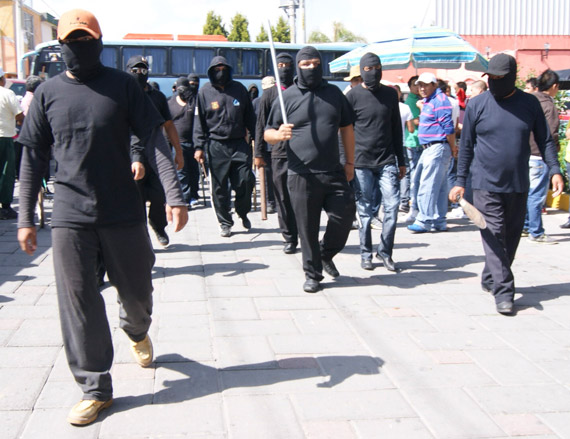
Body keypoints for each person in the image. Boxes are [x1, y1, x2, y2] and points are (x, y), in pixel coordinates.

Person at [16, 9, 188, 425]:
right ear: (61, 47)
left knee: (137, 293)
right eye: (71, 41)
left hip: (123, 212)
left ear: (99, 41)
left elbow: (154, 141)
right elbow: (33, 156)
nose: (79, 47)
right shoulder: (47, 94)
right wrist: (25, 216)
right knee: (78, 303)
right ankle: (96, 387)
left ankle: (136, 329)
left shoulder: (124, 86)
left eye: (85, 39)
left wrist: (174, 194)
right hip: (71, 215)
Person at [449, 53, 563, 315]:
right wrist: (460, 181)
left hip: (518, 183)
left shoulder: (529, 104)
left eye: (501, 78)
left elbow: (545, 140)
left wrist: (555, 170)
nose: (496, 82)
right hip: (484, 185)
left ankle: (491, 277)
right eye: (492, 78)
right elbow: (466, 147)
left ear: (513, 77)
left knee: (510, 239)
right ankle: (504, 291)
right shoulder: (478, 105)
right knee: (494, 234)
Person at [265, 46, 356, 293]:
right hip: (300, 173)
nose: (311, 68)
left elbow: (347, 128)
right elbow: (267, 133)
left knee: (345, 214)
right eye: (306, 64)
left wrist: (350, 162)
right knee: (307, 227)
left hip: (333, 170)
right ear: (298, 66)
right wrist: (278, 134)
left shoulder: (335, 94)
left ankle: (326, 253)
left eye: (316, 63)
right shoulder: (286, 98)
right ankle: (312, 273)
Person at [346, 53, 406, 272]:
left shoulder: (390, 94)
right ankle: (365, 253)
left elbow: (396, 129)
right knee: (364, 211)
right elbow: (345, 132)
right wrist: (347, 163)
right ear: (362, 71)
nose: (373, 72)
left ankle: (385, 251)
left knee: (392, 207)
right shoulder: (352, 96)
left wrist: (402, 160)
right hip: (361, 163)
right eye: (369, 69)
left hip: (387, 160)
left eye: (378, 67)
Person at [194, 55, 256, 237]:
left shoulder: (239, 89)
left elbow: (250, 118)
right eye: (216, 70)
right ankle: (225, 222)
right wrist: (199, 146)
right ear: (211, 72)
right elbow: (199, 123)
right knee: (219, 187)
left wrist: (257, 141)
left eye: (223, 69)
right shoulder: (204, 92)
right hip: (216, 145)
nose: (220, 72)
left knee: (246, 180)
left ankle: (242, 211)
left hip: (239, 143)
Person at [127, 55, 184, 247]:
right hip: (132, 155)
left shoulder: (158, 97)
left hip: (157, 152)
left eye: (143, 70)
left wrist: (178, 151)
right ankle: (141, 235)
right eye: (135, 70)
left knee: (159, 193)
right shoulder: (123, 97)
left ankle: (158, 226)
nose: (139, 74)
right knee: (136, 199)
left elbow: (168, 125)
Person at [255, 55, 297, 253]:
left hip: (302, 153)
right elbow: (261, 124)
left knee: (301, 197)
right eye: (280, 66)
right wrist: (259, 153)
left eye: (288, 66)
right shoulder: (270, 94)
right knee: (282, 197)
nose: (284, 69)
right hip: (278, 153)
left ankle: (303, 233)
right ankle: (288, 236)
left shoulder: (300, 91)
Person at [407, 72, 456, 233]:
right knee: (439, 185)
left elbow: (448, 127)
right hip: (432, 147)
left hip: (437, 147)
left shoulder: (440, 101)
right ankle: (439, 220)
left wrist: (452, 147)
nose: (422, 88)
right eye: (420, 85)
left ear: (434, 85)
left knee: (426, 185)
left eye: (426, 85)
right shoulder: (431, 101)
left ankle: (424, 220)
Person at [523, 69, 560, 244]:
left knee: (527, 192)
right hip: (539, 155)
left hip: (525, 153)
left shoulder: (528, 101)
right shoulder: (548, 105)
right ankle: (536, 231)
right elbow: (550, 135)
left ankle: (526, 225)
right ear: (554, 86)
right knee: (536, 195)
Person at [168, 75, 200, 207]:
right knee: (181, 171)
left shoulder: (194, 102)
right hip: (178, 143)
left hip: (193, 142)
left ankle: (194, 194)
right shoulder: (170, 103)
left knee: (194, 170)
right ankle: (185, 198)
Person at [0, 67, 24, 220]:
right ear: (2, 79)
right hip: (4, 137)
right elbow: (19, 115)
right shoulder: (7, 93)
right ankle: (5, 208)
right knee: (7, 172)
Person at [403, 75, 422, 221]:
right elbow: (413, 122)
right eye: (416, 85)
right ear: (410, 87)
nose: (419, 87)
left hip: (419, 141)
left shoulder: (418, 100)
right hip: (413, 140)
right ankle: (410, 202)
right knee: (414, 174)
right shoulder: (411, 102)